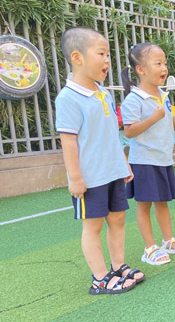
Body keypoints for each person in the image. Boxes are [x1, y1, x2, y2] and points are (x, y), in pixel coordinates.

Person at [55, 26, 144, 294]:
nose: (107, 61)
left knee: (117, 219)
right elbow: (68, 141)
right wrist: (75, 178)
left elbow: (110, 135)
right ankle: (100, 277)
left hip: (113, 171)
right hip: (90, 176)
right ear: (77, 58)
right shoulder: (68, 98)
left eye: (108, 55)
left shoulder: (103, 93)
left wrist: (123, 163)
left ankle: (118, 266)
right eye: (101, 54)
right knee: (92, 225)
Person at [119, 43, 175, 266]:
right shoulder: (134, 99)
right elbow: (129, 131)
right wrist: (153, 117)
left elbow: (167, 125)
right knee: (144, 204)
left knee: (163, 202)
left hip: (163, 158)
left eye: (164, 63)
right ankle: (150, 247)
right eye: (158, 63)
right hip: (144, 160)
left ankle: (168, 240)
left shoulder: (163, 95)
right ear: (140, 69)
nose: (164, 68)